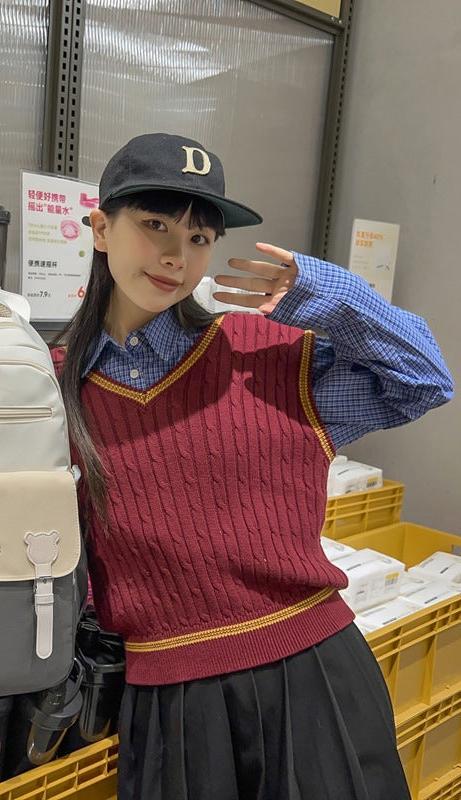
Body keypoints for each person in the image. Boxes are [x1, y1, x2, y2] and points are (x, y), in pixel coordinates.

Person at [48, 132, 453, 800]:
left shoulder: (265, 356)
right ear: (100, 228)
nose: (177, 256)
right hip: (166, 701)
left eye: (199, 237)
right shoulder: (57, 387)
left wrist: (325, 295)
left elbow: (424, 380)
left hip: (314, 678)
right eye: (154, 225)